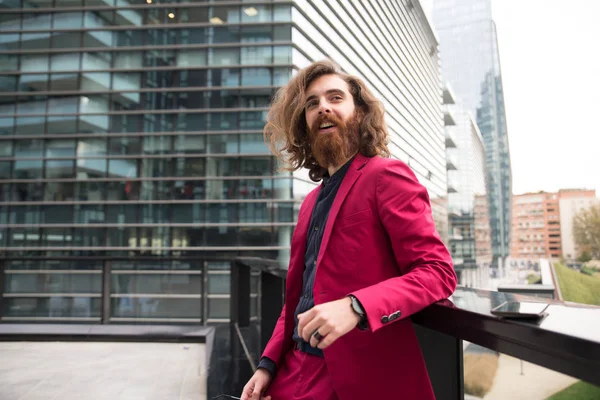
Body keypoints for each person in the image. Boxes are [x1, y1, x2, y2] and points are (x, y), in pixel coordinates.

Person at [240, 60, 457, 400]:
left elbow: (438, 273)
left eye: (335, 97)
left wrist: (356, 307)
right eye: (312, 103)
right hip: (291, 374)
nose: (322, 106)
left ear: (359, 113)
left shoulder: (386, 176)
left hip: (359, 381)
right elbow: (297, 297)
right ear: (305, 123)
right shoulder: (310, 201)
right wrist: (267, 363)